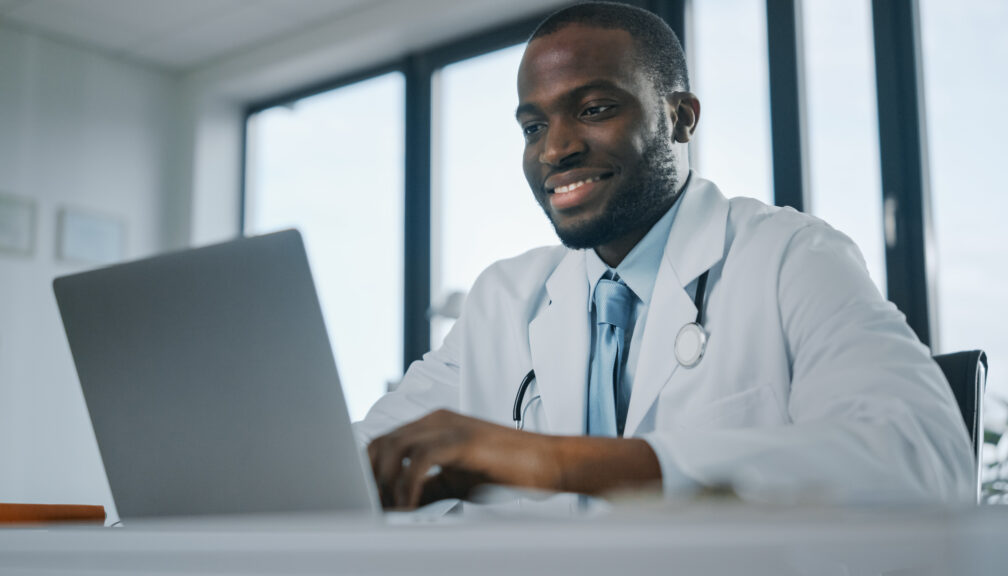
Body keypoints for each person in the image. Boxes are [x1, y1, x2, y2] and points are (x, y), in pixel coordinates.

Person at [357, 2, 973, 509]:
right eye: (533, 127)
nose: (555, 149)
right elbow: (350, 463)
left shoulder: (790, 257)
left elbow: (923, 457)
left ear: (681, 118)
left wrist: (556, 462)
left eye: (593, 109)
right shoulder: (503, 301)